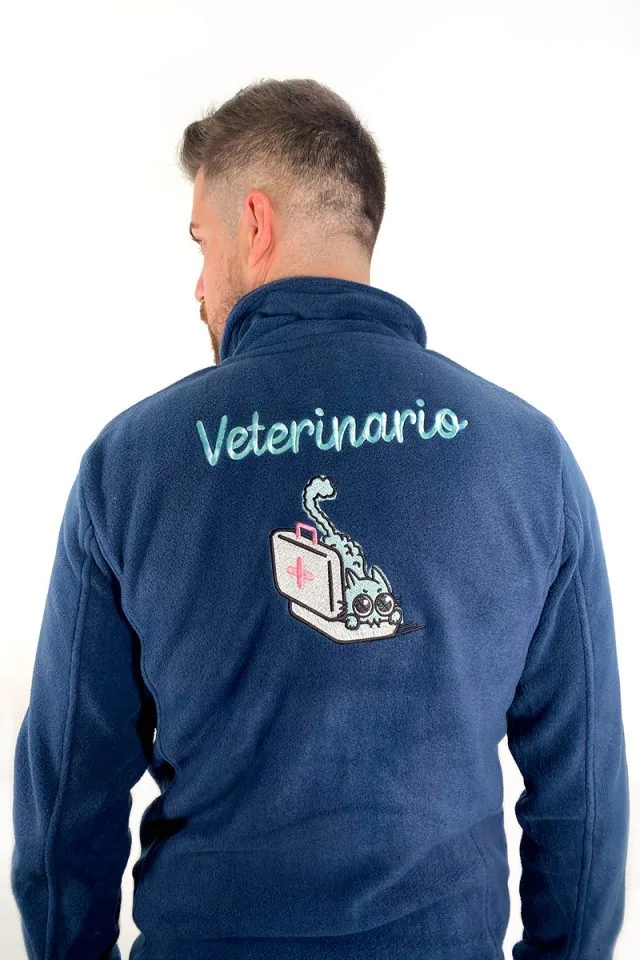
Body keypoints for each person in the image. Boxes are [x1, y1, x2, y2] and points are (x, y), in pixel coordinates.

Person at [10, 77, 629, 960]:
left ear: (255, 224)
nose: (198, 287)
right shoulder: (529, 457)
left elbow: (69, 797)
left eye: (202, 243)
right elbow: (584, 799)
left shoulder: (130, 464)